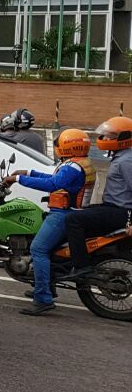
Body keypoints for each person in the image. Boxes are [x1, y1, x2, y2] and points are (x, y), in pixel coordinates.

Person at [9, 128, 96, 315]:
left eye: (58, 144)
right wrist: (29, 172)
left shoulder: (72, 167)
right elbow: (56, 179)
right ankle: (47, 286)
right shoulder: (79, 163)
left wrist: (18, 179)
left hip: (62, 214)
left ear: (66, 147)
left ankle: (42, 298)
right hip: (70, 212)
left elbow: (52, 184)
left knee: (38, 249)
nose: (56, 147)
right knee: (46, 249)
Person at [60, 116, 132, 281]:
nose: (104, 138)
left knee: (73, 220)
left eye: (110, 136)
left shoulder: (127, 160)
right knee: (79, 213)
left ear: (124, 138)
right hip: (113, 207)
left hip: (121, 212)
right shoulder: (121, 156)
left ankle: (82, 267)